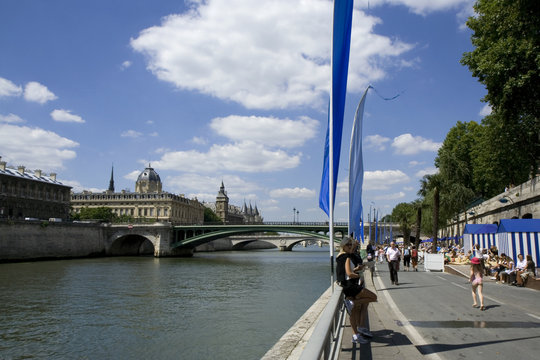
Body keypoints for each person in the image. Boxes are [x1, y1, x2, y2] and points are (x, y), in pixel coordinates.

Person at [336, 237, 378, 344]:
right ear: (343, 246)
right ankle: (351, 302)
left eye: (351, 244)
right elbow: (349, 274)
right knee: (373, 297)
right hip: (351, 286)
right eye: (348, 245)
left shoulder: (342, 256)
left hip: (347, 286)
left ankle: (355, 336)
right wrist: (356, 274)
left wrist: (356, 269)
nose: (351, 246)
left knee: (353, 313)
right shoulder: (346, 257)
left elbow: (346, 272)